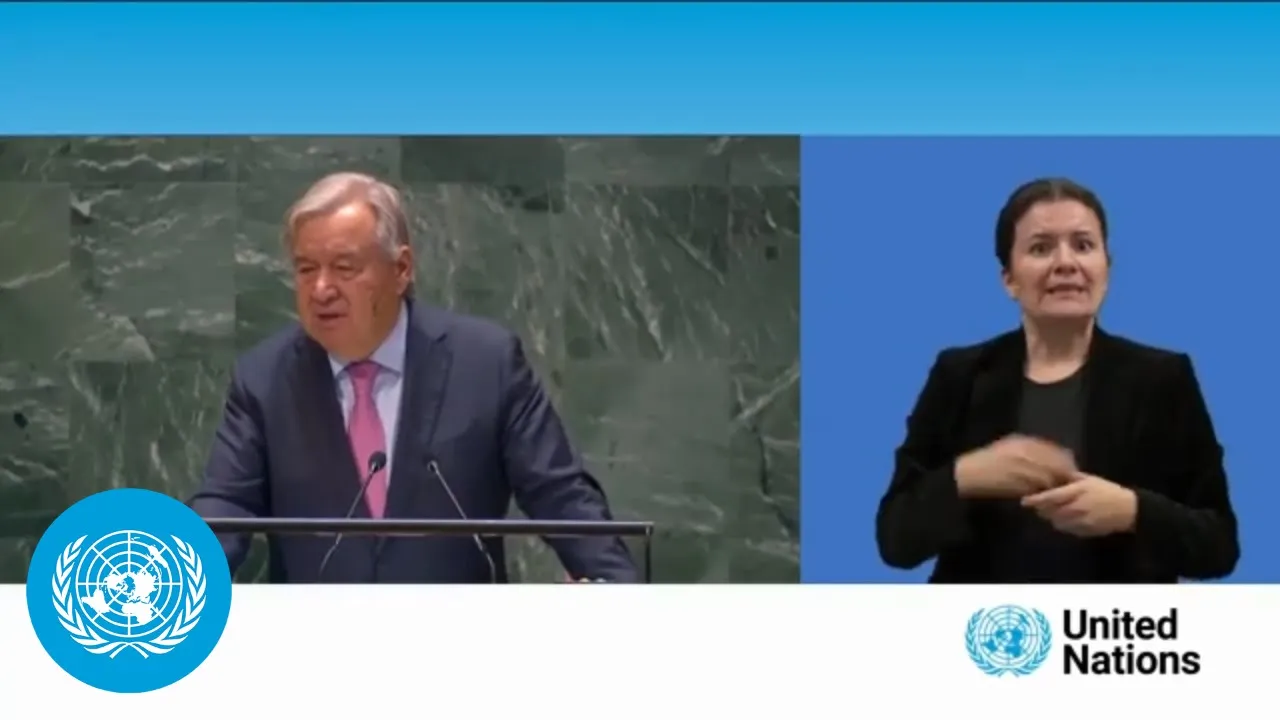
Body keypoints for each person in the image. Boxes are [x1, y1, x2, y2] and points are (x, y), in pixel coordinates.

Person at [191, 172, 638, 583]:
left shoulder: (486, 364)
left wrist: (615, 587)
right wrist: (180, 581)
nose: (321, 289)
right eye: (306, 269)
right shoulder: (264, 379)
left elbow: (560, 494)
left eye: (344, 268)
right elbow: (226, 506)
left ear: (401, 269)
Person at [875, 177, 1239, 583]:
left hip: (1109, 622)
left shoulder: (1163, 379)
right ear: (1009, 279)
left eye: (1083, 245)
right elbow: (894, 540)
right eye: (1040, 248)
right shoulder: (959, 376)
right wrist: (966, 476)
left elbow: (1219, 546)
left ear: (1106, 268)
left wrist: (1132, 511)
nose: (1065, 263)